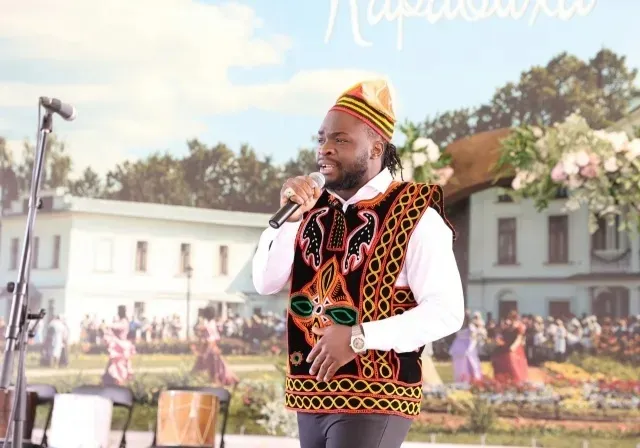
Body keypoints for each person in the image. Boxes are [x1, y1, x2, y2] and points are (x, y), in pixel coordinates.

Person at [252, 79, 465, 448]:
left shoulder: (415, 213)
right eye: (321, 139)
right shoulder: (307, 208)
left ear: (376, 147)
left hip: (376, 395)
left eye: (340, 140)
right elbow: (265, 282)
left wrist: (359, 337)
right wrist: (289, 221)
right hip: (310, 395)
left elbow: (447, 312)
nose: (325, 149)